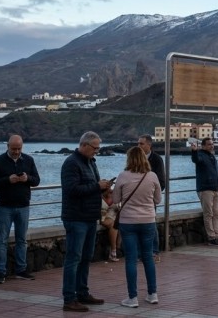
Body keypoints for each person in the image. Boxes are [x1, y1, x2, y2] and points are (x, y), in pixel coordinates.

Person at [61, 131, 111, 312]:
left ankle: (82, 292)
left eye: (98, 148)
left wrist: (102, 188)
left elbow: (90, 187)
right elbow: (71, 189)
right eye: (95, 148)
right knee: (73, 258)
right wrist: (96, 186)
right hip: (76, 218)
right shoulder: (71, 163)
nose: (97, 151)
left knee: (85, 257)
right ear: (84, 145)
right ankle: (69, 298)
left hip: (90, 217)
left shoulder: (91, 162)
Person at [0, 134, 41, 284]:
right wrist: (7, 180)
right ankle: (0, 272)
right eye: (14, 149)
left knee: (22, 240)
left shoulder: (29, 160)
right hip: (4, 206)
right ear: (8, 146)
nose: (16, 152)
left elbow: (36, 180)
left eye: (19, 149)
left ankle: (21, 270)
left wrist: (27, 179)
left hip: (23, 205)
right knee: (1, 240)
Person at [114, 146, 162, 308]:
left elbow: (115, 200)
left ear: (129, 159)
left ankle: (132, 298)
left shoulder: (122, 176)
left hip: (128, 222)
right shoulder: (152, 176)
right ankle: (152, 294)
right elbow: (158, 200)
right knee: (148, 257)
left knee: (131, 260)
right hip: (148, 221)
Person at [191, 137, 218, 246]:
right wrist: (194, 151)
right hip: (205, 188)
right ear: (203, 146)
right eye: (209, 144)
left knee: (216, 213)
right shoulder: (200, 155)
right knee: (208, 214)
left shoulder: (211, 156)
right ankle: (211, 237)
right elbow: (196, 159)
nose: (212, 146)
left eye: (212, 144)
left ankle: (216, 235)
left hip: (215, 188)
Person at [137, 134, 165, 260]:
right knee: (138, 225)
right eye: (138, 143)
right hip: (136, 199)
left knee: (151, 225)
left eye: (141, 143)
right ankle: (140, 252)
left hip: (149, 199)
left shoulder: (156, 159)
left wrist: (153, 196)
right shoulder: (136, 159)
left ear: (149, 145)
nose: (139, 146)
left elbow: (160, 181)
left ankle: (154, 250)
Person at [100, 185, 120, 261]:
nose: (111, 189)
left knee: (121, 223)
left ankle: (117, 247)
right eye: (109, 188)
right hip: (102, 217)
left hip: (113, 216)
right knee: (113, 225)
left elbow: (118, 207)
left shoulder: (114, 195)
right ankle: (113, 251)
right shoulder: (99, 197)